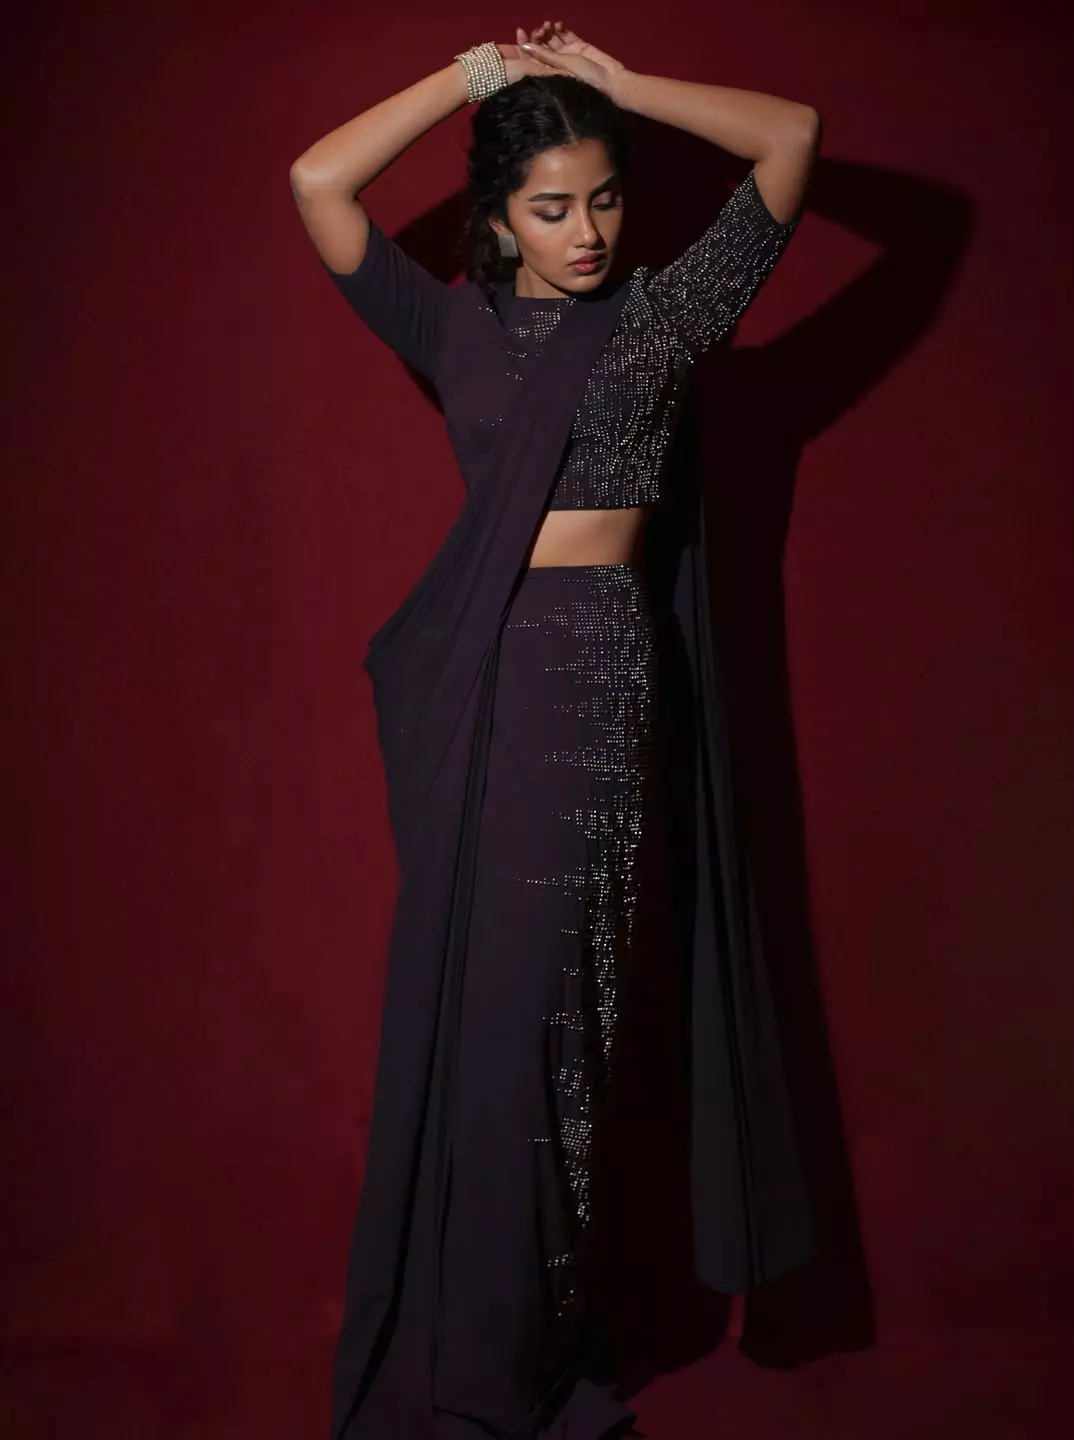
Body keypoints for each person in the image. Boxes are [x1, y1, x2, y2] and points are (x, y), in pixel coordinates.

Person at [290, 21, 821, 1439]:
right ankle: (472, 1353)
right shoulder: (449, 327)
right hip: (486, 686)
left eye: (604, 198)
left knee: (561, 1029)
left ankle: (518, 1346)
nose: (585, 232)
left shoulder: (660, 316)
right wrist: (470, 79)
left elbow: (792, 141)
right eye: (549, 207)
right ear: (497, 218)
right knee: (488, 1024)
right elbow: (317, 183)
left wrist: (620, 88)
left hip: (596, 690)